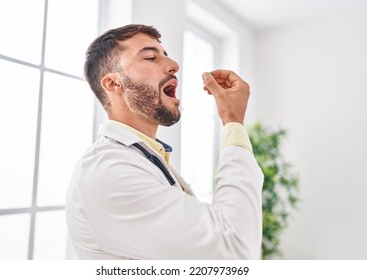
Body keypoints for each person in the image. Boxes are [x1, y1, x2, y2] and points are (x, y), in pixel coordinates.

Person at [66, 24, 263, 260]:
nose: (174, 66)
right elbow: (235, 251)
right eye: (150, 57)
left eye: (165, 55)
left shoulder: (141, 158)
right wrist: (233, 122)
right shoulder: (109, 171)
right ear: (113, 84)